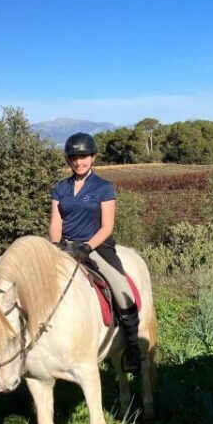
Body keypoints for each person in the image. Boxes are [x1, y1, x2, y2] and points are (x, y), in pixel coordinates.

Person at [49, 132, 141, 373]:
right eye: (74, 157)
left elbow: (107, 226)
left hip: (96, 247)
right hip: (65, 247)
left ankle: (132, 347)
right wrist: (56, 246)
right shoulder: (60, 188)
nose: (79, 162)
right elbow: (56, 223)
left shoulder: (103, 187)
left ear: (93, 157)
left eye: (83, 157)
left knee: (122, 289)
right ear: (69, 160)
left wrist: (87, 247)